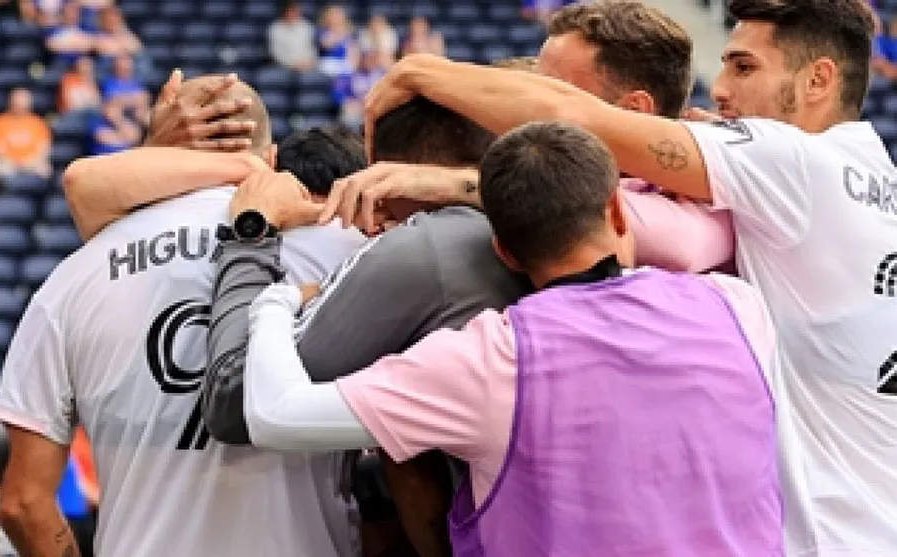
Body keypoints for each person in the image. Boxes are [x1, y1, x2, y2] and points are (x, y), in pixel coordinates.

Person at [360, 0, 897, 554]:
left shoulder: (790, 165)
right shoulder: (871, 175)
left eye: (744, 67)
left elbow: (574, 123)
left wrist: (416, 71)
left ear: (818, 81)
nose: (720, 90)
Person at [236, 121, 784, 556]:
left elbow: (273, 414)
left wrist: (276, 300)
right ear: (618, 209)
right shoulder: (739, 306)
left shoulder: (491, 359)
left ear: (503, 251)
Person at [0, 74, 364, 557]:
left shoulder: (69, 281)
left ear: (157, 153)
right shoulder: (346, 252)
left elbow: (22, 503)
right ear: (272, 159)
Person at [325, 2, 733, 274]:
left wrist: (450, 181)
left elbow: (672, 241)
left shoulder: (712, 195)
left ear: (633, 111)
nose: (526, 106)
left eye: (551, 92)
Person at [0, 88, 52, 181]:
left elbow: (44, 150)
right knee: (1, 169)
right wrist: (14, 163)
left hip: (33, 163)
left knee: (45, 170)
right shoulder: (0, 122)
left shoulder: (39, 123)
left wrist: (30, 163)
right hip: (8, 164)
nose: (20, 104)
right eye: (17, 100)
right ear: (11, 101)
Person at [268, 2, 317, 72]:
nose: (293, 15)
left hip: (306, 64)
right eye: (291, 12)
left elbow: (312, 48)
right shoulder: (275, 28)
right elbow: (276, 53)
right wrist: (293, 64)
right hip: (283, 65)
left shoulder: (307, 26)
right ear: (285, 13)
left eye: (296, 12)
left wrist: (309, 61)